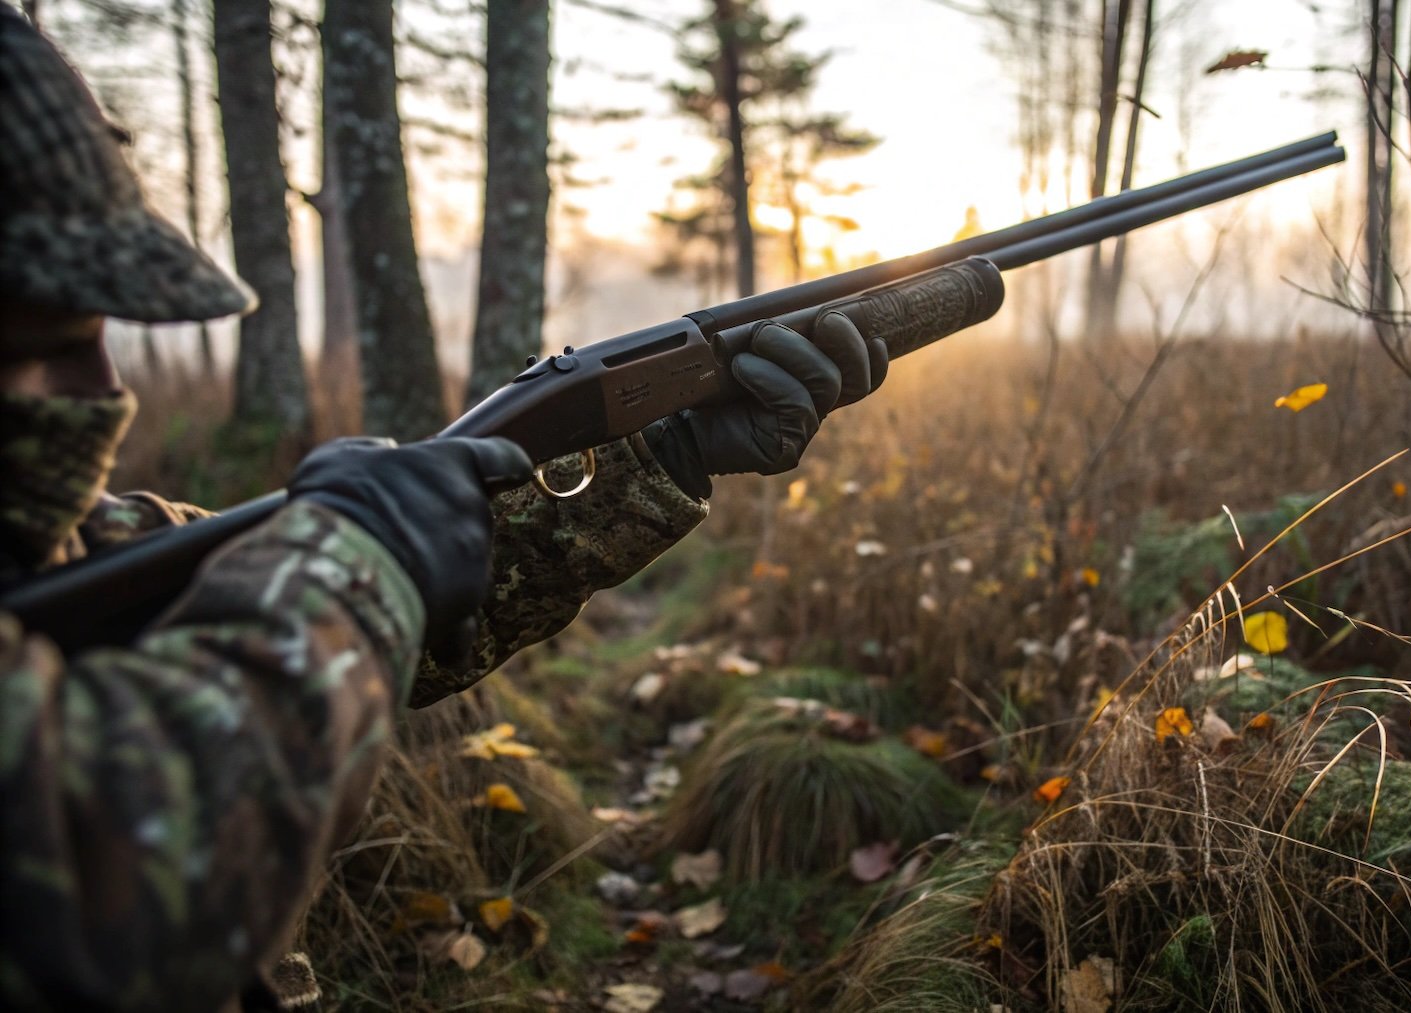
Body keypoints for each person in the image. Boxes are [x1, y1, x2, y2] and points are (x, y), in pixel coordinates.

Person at [0, 7, 887, 1010]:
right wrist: (349, 558)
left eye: (98, 332)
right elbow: (90, 877)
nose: (102, 384)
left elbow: (381, 626)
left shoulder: (73, 548)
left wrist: (664, 450)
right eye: (44, 342)